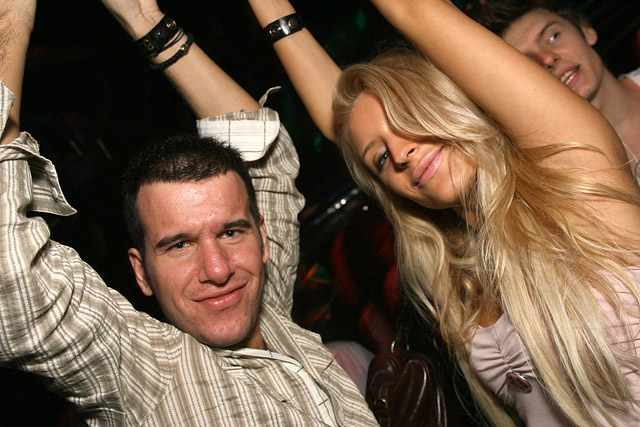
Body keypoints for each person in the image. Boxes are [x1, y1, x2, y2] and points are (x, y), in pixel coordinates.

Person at [247, 0, 640, 425]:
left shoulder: (576, 185)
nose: (401, 152)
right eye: (382, 159)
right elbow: (349, 122)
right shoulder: (460, 277)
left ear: (452, 101)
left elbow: (414, 10)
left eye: (408, 116)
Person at [0, 0, 377, 425]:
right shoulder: (143, 372)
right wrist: (11, 17)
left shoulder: (267, 312)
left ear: (263, 239)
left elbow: (260, 147)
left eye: (231, 233)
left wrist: (144, 18)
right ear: (142, 272)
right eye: (179, 245)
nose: (218, 269)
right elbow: (11, 277)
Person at [471, 0, 640, 180]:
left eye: (553, 37)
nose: (547, 59)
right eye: (527, 62)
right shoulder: (563, 180)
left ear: (586, 31)